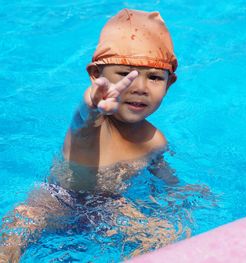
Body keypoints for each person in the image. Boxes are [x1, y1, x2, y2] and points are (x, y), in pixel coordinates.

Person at [0, 9, 187, 262]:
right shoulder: (93, 126)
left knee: (165, 235)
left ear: (170, 83)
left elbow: (163, 175)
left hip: (111, 207)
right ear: (96, 75)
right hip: (54, 204)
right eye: (124, 75)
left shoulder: (154, 140)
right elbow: (82, 120)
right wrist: (92, 103)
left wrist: (182, 193)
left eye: (154, 77)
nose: (140, 88)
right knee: (12, 236)